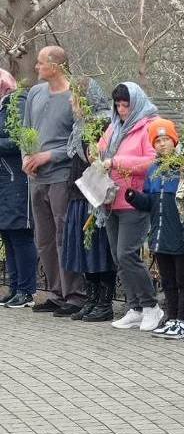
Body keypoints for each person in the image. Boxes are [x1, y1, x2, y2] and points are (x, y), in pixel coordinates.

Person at [22, 46, 85, 314]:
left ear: (56, 66)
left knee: (64, 235)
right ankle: (56, 291)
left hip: (61, 176)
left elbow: (79, 139)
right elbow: (25, 129)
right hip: (35, 176)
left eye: (40, 63)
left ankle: (75, 294)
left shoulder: (75, 95)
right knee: (44, 237)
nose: (36, 67)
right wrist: (26, 157)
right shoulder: (36, 93)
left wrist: (50, 155)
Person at [98, 82, 164, 332]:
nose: (122, 109)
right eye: (118, 105)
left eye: (126, 105)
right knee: (118, 256)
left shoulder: (149, 125)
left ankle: (151, 306)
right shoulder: (114, 126)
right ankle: (135, 307)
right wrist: (95, 153)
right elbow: (102, 150)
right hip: (110, 198)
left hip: (133, 198)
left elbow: (153, 160)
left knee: (127, 253)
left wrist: (116, 161)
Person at [126, 118, 184, 339]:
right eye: (157, 141)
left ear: (174, 141)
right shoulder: (154, 169)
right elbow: (150, 203)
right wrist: (134, 197)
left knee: (182, 278)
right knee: (167, 279)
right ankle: (171, 317)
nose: (162, 144)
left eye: (166, 139)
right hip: (160, 233)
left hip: (179, 233)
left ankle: (183, 319)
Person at [60, 78, 117, 322]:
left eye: (75, 98)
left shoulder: (103, 121)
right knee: (84, 249)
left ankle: (104, 301)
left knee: (97, 249)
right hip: (78, 193)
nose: (72, 103)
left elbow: (99, 156)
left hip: (94, 195)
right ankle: (92, 297)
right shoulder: (80, 124)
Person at [0, 69, 37, 308]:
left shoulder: (16, 103)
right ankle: (14, 287)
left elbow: (23, 139)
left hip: (17, 178)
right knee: (7, 234)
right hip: (3, 178)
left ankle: (27, 290)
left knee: (20, 233)